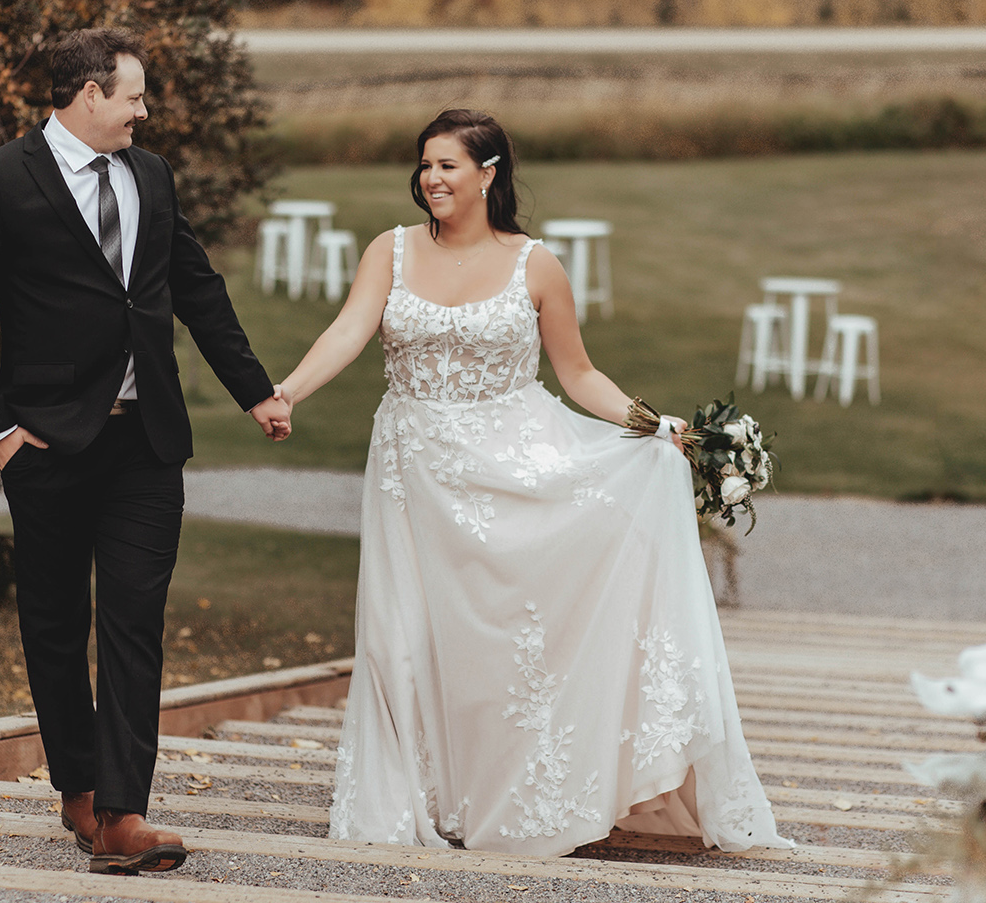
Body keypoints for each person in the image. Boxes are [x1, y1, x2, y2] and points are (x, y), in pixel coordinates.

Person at [271, 109, 789, 855]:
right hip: (412, 469)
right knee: (405, 637)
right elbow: (349, 330)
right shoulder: (389, 251)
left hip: (515, 462)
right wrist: (288, 391)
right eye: (424, 165)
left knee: (510, 640)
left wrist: (654, 426)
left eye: (447, 165)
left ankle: (533, 786)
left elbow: (577, 373)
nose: (431, 179)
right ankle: (424, 796)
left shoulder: (535, 264)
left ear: (488, 174)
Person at [0, 27, 291, 875]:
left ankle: (124, 814)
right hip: (46, 447)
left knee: (134, 618)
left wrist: (257, 392)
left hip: (146, 446)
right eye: (132, 95)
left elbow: (197, 288)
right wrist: (1, 438)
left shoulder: (152, 176)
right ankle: (80, 786)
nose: (143, 111)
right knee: (54, 626)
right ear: (89, 94)